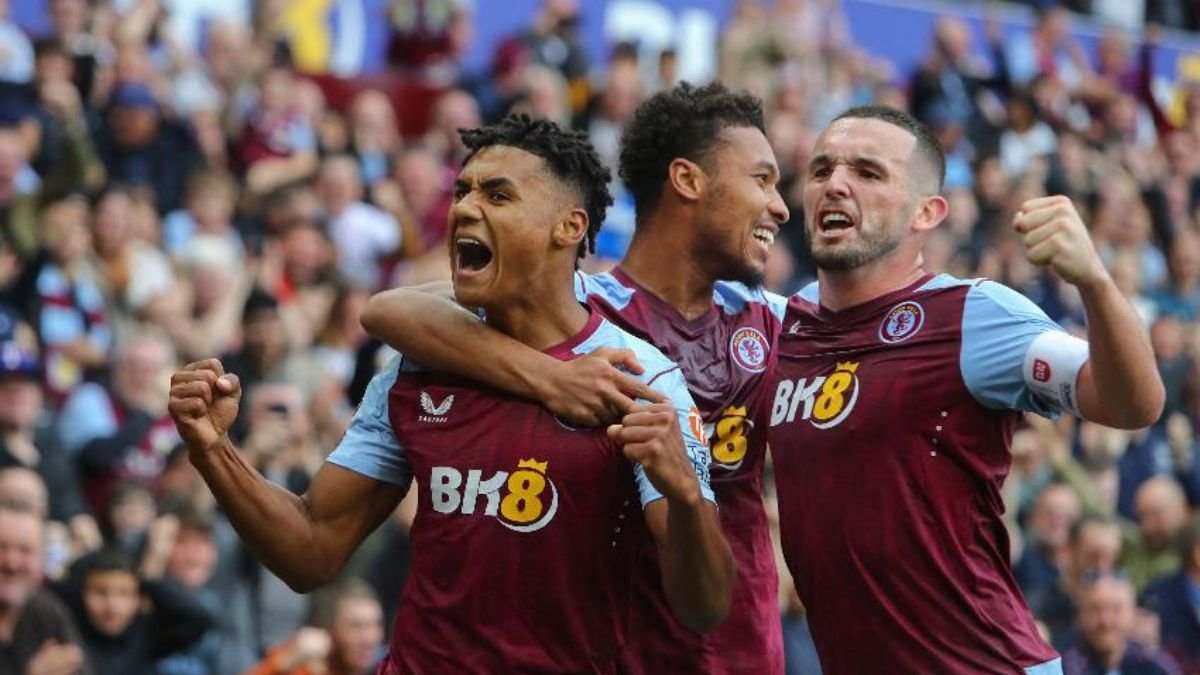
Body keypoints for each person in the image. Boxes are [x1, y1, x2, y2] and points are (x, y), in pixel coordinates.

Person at [168, 114, 734, 673]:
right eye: (462, 191)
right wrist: (213, 449)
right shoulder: (416, 371)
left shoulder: (641, 380)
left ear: (568, 227)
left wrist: (684, 496)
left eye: (498, 195)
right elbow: (312, 548)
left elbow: (703, 607)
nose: (464, 208)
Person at [361, 81, 791, 674]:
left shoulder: (774, 323)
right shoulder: (583, 303)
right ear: (689, 181)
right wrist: (551, 377)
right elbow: (391, 311)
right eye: (762, 180)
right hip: (613, 652)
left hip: (738, 652)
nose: (780, 205)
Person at [767, 104, 1164, 673]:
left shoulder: (973, 314)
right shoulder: (784, 326)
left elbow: (1134, 404)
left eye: (868, 172)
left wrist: (1094, 282)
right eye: (822, 169)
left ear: (926, 213)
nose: (836, 185)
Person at [0, 503, 89, 675]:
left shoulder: (46, 610)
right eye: (1, 547)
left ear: (42, 561)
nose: (12, 563)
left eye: (26, 550)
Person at [1061, 574, 1183, 675]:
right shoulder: (1065, 668)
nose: (1106, 621)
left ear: (1133, 613)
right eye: (1095, 609)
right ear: (1080, 616)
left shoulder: (1154, 664)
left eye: (1116, 609)